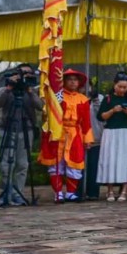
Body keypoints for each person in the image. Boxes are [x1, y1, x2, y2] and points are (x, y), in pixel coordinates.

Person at [37, 68, 93, 203]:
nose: (73, 82)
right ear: (64, 81)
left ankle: (70, 193)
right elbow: (49, 112)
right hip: (58, 132)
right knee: (56, 164)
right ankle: (58, 193)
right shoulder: (59, 96)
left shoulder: (83, 99)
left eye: (75, 80)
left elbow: (86, 121)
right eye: (70, 79)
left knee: (74, 163)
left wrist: (88, 139)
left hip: (75, 134)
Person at [0, 63, 43, 206]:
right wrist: (9, 88)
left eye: (29, 74)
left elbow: (40, 106)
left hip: (26, 130)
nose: (26, 76)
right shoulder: (5, 88)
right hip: (8, 129)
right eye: (24, 74)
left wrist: (29, 91)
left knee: (22, 164)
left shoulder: (31, 91)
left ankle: (18, 193)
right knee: (6, 164)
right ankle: (6, 193)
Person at [96, 73, 127, 201]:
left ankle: (124, 190)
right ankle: (109, 191)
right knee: (110, 160)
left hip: (126, 132)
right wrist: (113, 111)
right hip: (111, 132)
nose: (122, 89)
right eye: (120, 86)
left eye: (125, 87)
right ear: (114, 85)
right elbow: (101, 116)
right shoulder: (108, 99)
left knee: (126, 160)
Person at [84, 82, 104, 200]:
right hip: (79, 139)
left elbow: (100, 115)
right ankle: (79, 191)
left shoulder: (100, 99)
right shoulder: (76, 98)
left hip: (96, 137)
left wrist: (94, 99)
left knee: (94, 166)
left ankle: (93, 192)